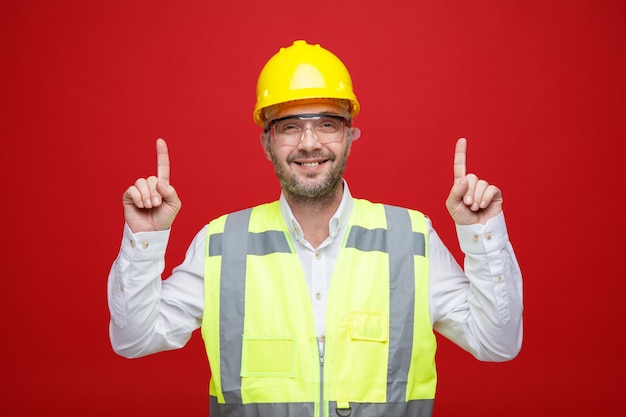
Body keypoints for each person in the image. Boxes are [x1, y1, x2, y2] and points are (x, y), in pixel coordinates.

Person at [108, 40, 523, 417]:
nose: (309, 143)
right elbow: (134, 339)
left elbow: (497, 344)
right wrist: (146, 239)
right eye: (289, 126)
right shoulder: (221, 244)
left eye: (327, 124)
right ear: (267, 142)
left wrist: (483, 236)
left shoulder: (411, 239)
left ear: (349, 135)